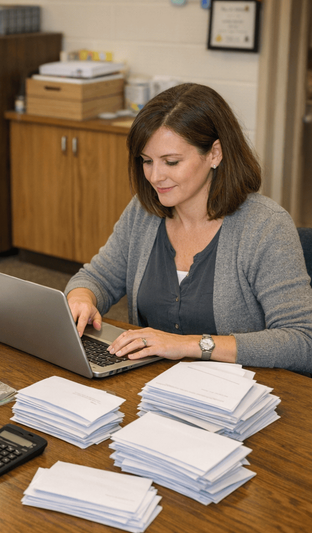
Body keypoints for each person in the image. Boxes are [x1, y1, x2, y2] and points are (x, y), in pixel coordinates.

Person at [65, 83, 312, 374]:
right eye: (147, 161)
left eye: (171, 162)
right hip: (150, 383)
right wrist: (81, 297)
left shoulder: (265, 226)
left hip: (236, 391)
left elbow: (302, 341)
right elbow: (97, 277)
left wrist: (188, 344)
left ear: (215, 154)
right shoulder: (143, 212)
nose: (155, 177)